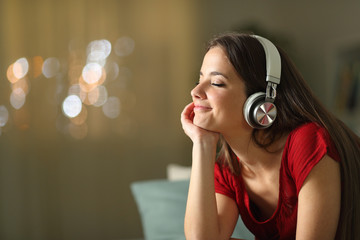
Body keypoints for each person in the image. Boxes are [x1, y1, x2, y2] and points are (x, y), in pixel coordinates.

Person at [181, 32, 360, 240]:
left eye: (217, 83)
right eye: (199, 79)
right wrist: (202, 144)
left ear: (262, 100)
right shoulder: (226, 167)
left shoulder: (308, 142)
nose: (196, 91)